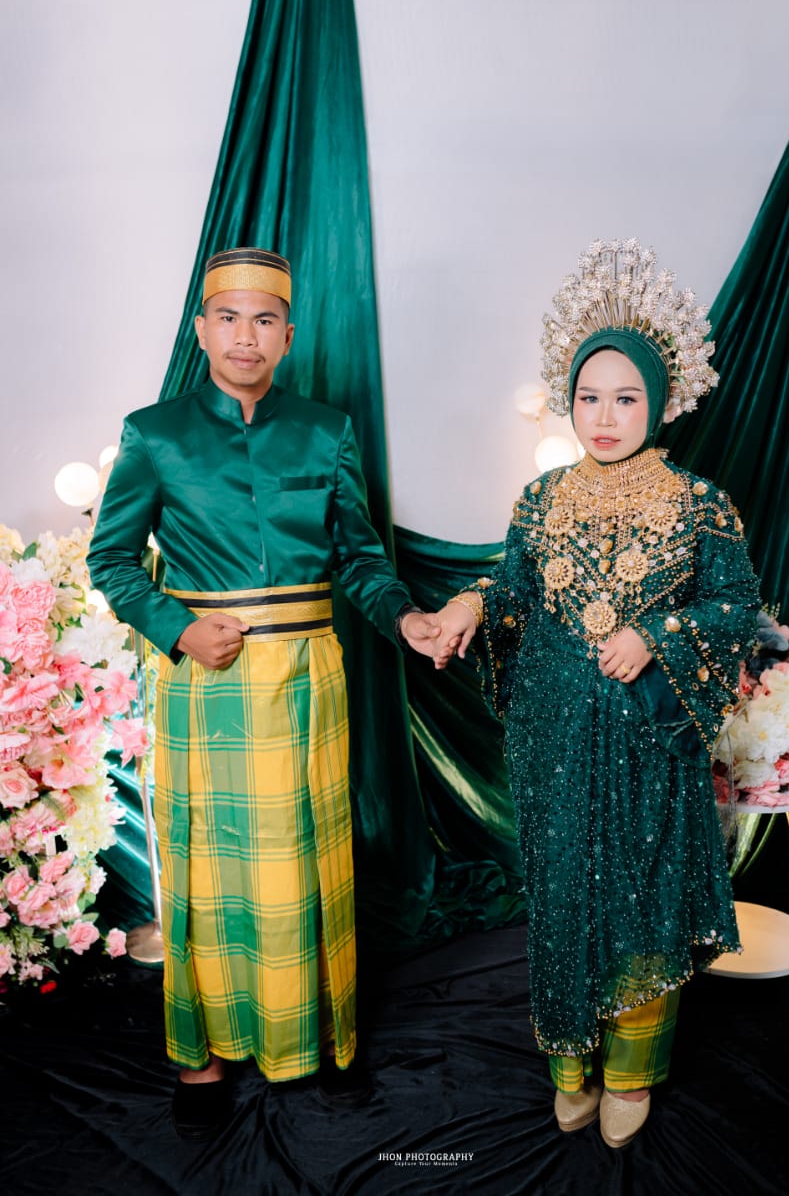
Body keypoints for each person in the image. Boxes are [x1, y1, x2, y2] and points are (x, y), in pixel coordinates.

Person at [88, 247, 446, 1141]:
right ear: (201, 328)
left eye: (264, 320)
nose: (245, 336)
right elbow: (112, 560)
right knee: (206, 865)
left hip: (304, 680)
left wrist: (404, 617)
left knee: (307, 860)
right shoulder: (153, 434)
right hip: (203, 682)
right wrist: (176, 627)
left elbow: (360, 558)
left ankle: (321, 1038)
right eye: (228, 317)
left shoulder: (326, 431)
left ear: (289, 335)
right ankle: (201, 1056)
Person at [433, 239, 760, 1148]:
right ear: (568, 399)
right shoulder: (539, 501)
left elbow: (736, 607)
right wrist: (467, 605)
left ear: (660, 401)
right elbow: (512, 593)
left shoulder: (699, 503)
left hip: (651, 740)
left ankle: (630, 1072)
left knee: (643, 893)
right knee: (567, 891)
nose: (605, 416)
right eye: (589, 397)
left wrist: (656, 635)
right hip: (556, 737)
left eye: (625, 398)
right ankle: (568, 1063)